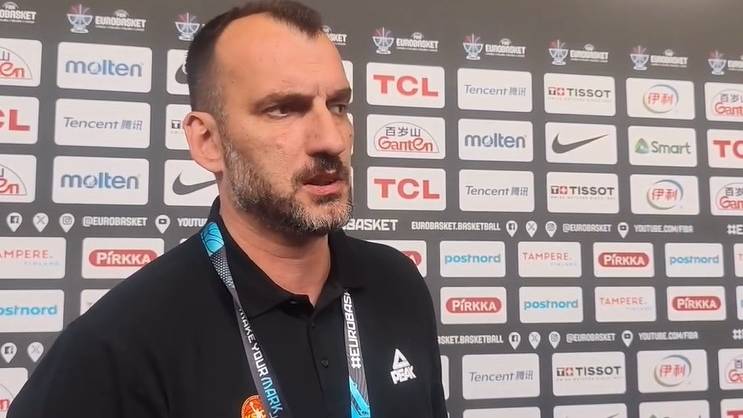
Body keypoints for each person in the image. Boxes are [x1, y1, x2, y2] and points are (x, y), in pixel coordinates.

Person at [8, 1, 447, 417]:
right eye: (283, 109)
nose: (330, 139)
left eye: (337, 106)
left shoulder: (397, 285)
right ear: (208, 142)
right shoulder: (118, 345)